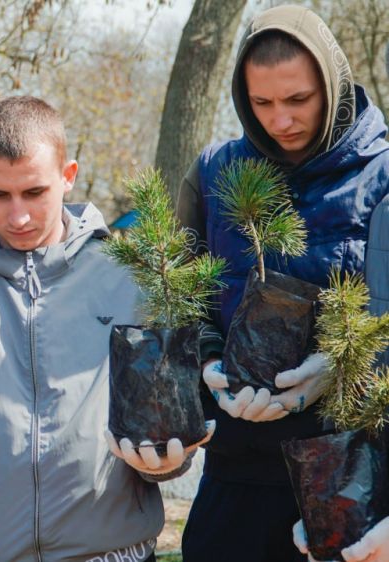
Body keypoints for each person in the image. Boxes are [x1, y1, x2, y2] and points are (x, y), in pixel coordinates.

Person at [0, 96, 208, 562]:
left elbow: (164, 433)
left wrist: (167, 463)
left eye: (34, 192)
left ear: (68, 176)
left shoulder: (135, 285)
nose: (18, 216)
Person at [173, 6, 389, 562]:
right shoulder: (215, 171)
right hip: (238, 473)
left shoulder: (382, 174)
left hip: (351, 471)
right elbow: (179, 298)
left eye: (298, 100)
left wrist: (341, 368)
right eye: (262, 103)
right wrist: (209, 360)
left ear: (333, 84)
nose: (281, 120)